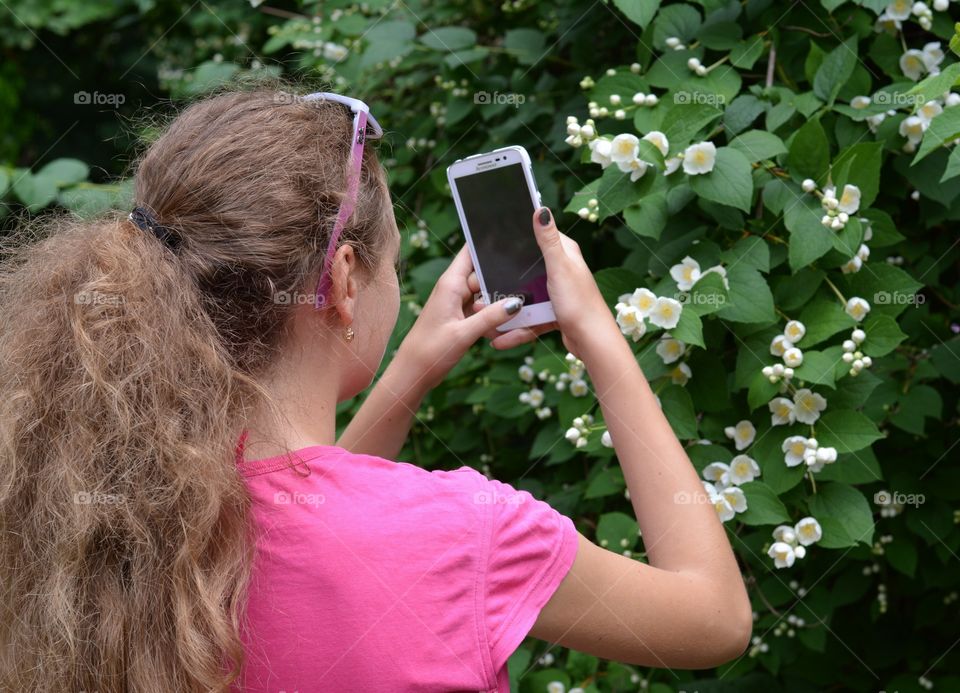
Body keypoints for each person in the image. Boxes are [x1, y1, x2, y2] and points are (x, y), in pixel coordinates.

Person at [0, 87, 752, 692]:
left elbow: (309, 509)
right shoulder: (466, 533)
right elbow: (713, 619)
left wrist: (409, 374)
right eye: (390, 260)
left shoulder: (112, 496)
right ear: (346, 278)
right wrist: (603, 345)